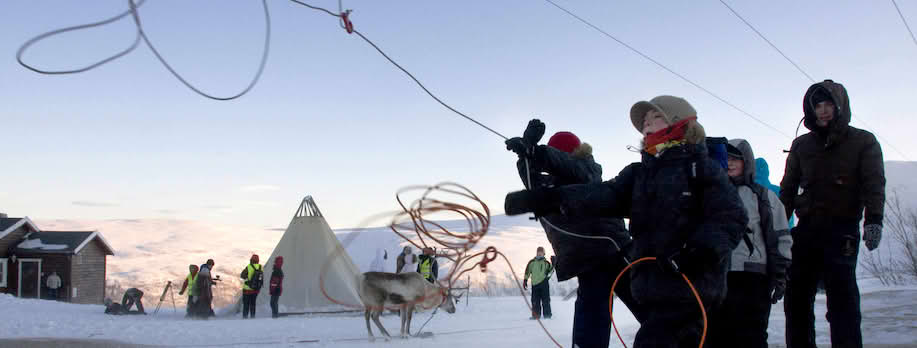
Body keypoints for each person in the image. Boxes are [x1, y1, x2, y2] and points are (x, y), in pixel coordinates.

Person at [504, 95, 747, 347]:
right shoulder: (640, 172)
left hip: (690, 286)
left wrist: (695, 252)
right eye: (644, 121)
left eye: (655, 117)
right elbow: (605, 195)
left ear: (681, 123)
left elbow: (730, 217)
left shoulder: (699, 168)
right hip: (652, 285)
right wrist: (544, 198)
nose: (646, 123)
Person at [506, 121, 645, 347]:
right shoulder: (550, 188)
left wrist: (540, 152)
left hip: (615, 251)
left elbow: (574, 169)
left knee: (651, 308)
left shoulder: (588, 172)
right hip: (586, 261)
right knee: (591, 320)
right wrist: (526, 153)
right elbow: (532, 184)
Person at [780, 80, 886, 348]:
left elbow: (874, 183)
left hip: (842, 230)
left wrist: (873, 220)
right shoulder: (802, 145)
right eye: (817, 105)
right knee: (796, 301)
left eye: (828, 104)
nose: (823, 110)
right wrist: (778, 227)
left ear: (840, 106)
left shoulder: (863, 141)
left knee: (843, 303)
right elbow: (788, 189)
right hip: (806, 231)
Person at [705, 139, 793, 348]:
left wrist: (780, 275)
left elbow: (780, 236)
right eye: (726, 158)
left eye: (736, 158)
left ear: (747, 161)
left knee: (751, 336)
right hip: (715, 278)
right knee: (714, 337)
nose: (730, 163)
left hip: (752, 279)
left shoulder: (762, 196)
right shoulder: (709, 196)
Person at [755, 157, 794, 229]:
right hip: (780, 233)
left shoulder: (746, 191)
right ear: (767, 171)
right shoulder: (778, 190)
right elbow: (788, 217)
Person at [523, 247, 554, 320]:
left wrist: (553, 265)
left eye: (541, 252)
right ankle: (536, 315)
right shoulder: (532, 262)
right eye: (538, 252)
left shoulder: (546, 263)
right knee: (535, 301)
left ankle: (547, 315)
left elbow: (550, 273)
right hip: (535, 284)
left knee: (546, 300)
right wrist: (525, 280)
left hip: (544, 284)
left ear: (544, 253)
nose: (539, 253)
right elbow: (527, 271)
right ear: (536, 253)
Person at [240, 254, 263, 319]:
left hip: (247, 289)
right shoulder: (260, 267)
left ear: (251, 260)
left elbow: (242, 275)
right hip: (255, 289)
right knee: (253, 304)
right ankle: (252, 317)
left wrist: (247, 277)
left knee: (246, 304)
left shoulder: (249, 266)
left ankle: (245, 317)